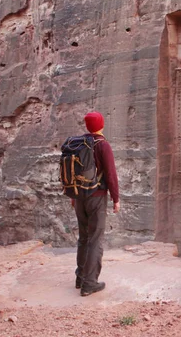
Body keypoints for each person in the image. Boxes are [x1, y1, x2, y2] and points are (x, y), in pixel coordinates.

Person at [72, 111, 120, 297]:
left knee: (83, 237)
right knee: (95, 239)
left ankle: (80, 277)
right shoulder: (103, 145)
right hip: (96, 196)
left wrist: (72, 195)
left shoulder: (77, 144)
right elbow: (110, 175)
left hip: (78, 197)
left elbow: (73, 172)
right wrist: (116, 198)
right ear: (101, 125)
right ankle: (90, 283)